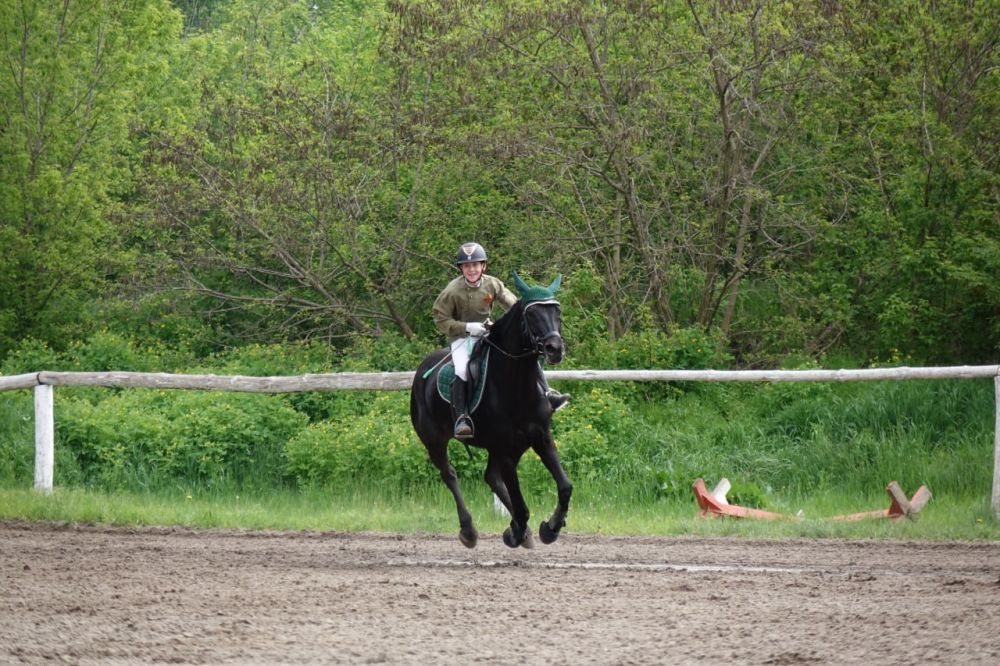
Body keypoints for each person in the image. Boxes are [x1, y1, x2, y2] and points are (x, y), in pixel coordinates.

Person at [433, 242, 570, 439]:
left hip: (488, 332)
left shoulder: (493, 284)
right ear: (461, 268)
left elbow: (513, 305)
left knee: (526, 354)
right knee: (463, 368)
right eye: (467, 266)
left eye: (475, 265)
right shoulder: (452, 291)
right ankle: (462, 418)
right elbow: (440, 318)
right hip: (461, 337)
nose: (472, 270)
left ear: (483, 266)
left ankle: (548, 394)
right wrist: (466, 328)